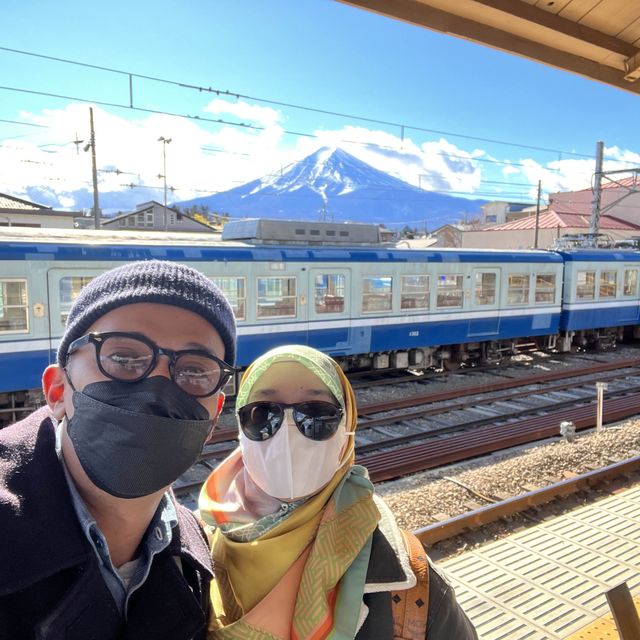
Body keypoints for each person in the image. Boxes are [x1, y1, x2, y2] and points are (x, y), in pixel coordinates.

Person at [0, 260, 237, 640]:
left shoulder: (193, 555)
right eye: (123, 358)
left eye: (195, 370)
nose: (159, 387)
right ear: (58, 390)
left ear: (214, 418)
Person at [198, 345, 477, 639]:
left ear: (346, 434)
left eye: (317, 415)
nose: (288, 432)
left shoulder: (412, 584)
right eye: (263, 414)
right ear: (241, 428)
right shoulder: (192, 546)